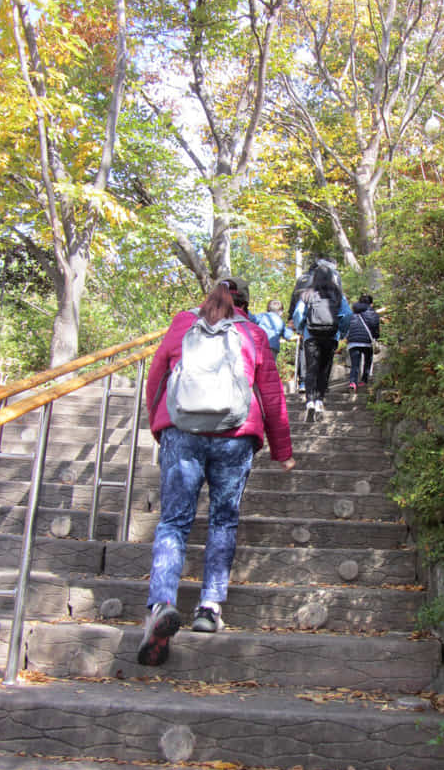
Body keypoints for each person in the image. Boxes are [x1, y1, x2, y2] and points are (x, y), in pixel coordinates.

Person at [139, 277, 295, 666]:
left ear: (209, 297)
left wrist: (159, 424)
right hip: (235, 435)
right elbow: (271, 394)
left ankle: (161, 604)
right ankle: (209, 608)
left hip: (182, 432)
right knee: (223, 521)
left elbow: (157, 376)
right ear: (246, 302)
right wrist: (283, 451)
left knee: (173, 522)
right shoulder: (253, 333)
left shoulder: (182, 323)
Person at [292, 263, 351, 422]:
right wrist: (342, 332)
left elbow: (298, 313)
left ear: (314, 278)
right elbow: (347, 315)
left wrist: (301, 328)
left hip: (311, 335)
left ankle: (310, 402)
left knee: (311, 369)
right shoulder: (338, 295)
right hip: (331, 336)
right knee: (324, 370)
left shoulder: (308, 294)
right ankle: (319, 401)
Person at [346, 294, 380, 390]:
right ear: (371, 304)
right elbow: (375, 329)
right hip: (367, 341)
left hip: (353, 341)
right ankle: (364, 380)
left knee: (355, 364)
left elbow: (347, 326)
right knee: (368, 360)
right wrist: (376, 337)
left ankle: (353, 382)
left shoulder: (352, 313)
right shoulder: (373, 314)